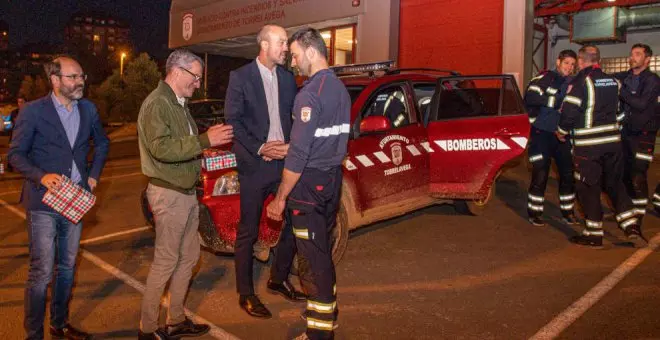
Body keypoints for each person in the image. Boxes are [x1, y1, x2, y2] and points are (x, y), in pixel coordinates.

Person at [8, 56, 109, 340]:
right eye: (72, 77)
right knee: (41, 273)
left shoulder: (88, 109)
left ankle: (59, 324)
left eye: (81, 76)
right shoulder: (33, 112)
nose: (80, 82)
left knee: (67, 267)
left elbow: (102, 143)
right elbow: (15, 155)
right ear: (54, 80)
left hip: (75, 200)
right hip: (43, 203)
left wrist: (94, 175)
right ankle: (34, 334)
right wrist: (41, 176)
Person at [137, 49, 233, 340]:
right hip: (169, 195)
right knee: (166, 261)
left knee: (189, 257)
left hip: (186, 193)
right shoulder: (158, 104)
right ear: (177, 72)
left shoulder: (178, 104)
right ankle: (148, 329)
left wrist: (209, 147)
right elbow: (162, 148)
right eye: (195, 77)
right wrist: (205, 139)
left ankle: (176, 319)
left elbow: (186, 144)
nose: (198, 83)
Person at [266, 27, 351, 340]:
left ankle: (320, 333)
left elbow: (300, 155)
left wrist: (280, 199)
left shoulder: (310, 93)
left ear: (312, 52)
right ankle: (330, 312)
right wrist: (288, 147)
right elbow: (327, 139)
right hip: (332, 180)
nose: (295, 63)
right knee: (323, 253)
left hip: (308, 188)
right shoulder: (339, 89)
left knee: (313, 263)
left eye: (297, 55)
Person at [225, 24, 305, 319]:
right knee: (248, 231)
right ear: (265, 45)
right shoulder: (241, 77)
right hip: (255, 166)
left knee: (295, 219)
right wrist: (260, 148)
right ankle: (246, 293)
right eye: (282, 43)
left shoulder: (287, 78)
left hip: (284, 164)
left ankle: (278, 277)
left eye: (286, 43)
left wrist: (292, 145)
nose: (286, 48)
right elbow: (233, 121)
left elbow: (294, 118)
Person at [556, 45, 643, 248]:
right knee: (615, 184)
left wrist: (562, 131)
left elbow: (569, 111)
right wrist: (614, 127)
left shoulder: (581, 82)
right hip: (613, 144)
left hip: (589, 146)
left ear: (580, 61)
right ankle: (632, 227)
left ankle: (593, 233)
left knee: (588, 186)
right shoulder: (614, 82)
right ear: (599, 61)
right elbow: (623, 111)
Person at [525, 50, 578, 226]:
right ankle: (534, 212)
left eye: (572, 64)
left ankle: (568, 212)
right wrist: (555, 102)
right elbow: (531, 97)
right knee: (540, 173)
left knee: (567, 175)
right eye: (566, 63)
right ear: (558, 62)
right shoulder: (546, 77)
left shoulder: (575, 83)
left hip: (562, 136)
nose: (569, 68)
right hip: (542, 134)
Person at [614, 43, 660, 225]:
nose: (632, 57)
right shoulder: (626, 76)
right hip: (626, 132)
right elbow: (607, 79)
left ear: (647, 59)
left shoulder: (653, 80)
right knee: (624, 173)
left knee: (638, 174)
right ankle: (629, 209)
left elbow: (641, 104)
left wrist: (621, 91)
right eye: (632, 54)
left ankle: (639, 213)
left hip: (644, 134)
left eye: (638, 54)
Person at [6, 96, 25, 172]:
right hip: (14, 135)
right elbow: (9, 124)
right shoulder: (14, 112)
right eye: (18, 102)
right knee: (12, 151)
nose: (20, 104)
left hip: (24, 135)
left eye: (21, 102)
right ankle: (10, 166)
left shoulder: (27, 111)